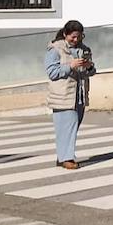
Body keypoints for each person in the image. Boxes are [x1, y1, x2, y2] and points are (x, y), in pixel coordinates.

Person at [45, 20, 95, 170]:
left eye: (79, 36)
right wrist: (70, 66)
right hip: (62, 95)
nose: (76, 40)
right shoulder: (55, 49)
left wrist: (89, 67)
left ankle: (62, 157)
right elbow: (51, 72)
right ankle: (67, 158)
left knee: (72, 127)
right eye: (73, 37)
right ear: (65, 34)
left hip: (79, 95)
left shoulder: (84, 49)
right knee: (67, 127)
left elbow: (92, 71)